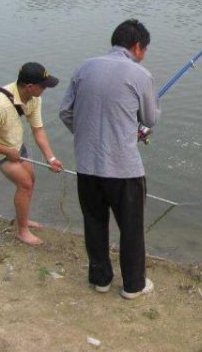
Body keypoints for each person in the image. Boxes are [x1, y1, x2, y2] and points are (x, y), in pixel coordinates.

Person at [59, 19, 160, 299]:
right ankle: (133, 286)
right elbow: (150, 119)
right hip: (124, 170)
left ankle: (100, 279)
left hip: (87, 166)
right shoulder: (141, 74)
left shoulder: (83, 68)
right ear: (137, 46)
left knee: (94, 223)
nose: (144, 55)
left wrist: (88, 136)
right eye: (145, 50)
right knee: (131, 230)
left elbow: (66, 113)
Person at [0, 62, 64, 246]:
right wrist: (6, 151)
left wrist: (51, 158)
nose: (45, 89)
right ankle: (22, 231)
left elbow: (38, 130)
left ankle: (22, 219)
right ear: (30, 86)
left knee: (31, 181)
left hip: (16, 145)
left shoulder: (34, 98)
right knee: (25, 184)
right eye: (43, 86)